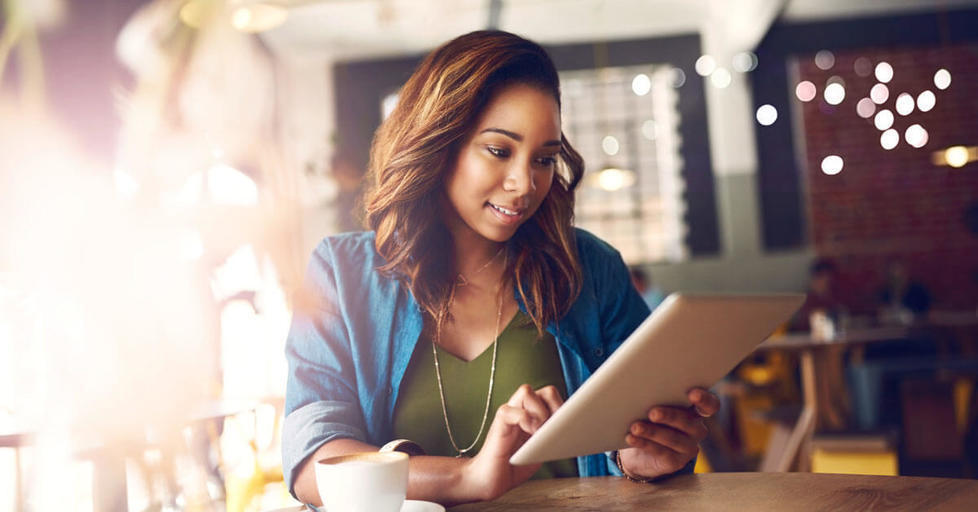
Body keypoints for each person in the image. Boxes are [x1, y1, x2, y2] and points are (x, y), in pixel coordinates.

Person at [282, 30, 720, 507]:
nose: (524, 183)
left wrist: (642, 460)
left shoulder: (590, 270)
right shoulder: (342, 277)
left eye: (545, 159)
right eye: (499, 150)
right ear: (439, 143)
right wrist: (466, 479)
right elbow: (312, 464)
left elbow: (637, 448)